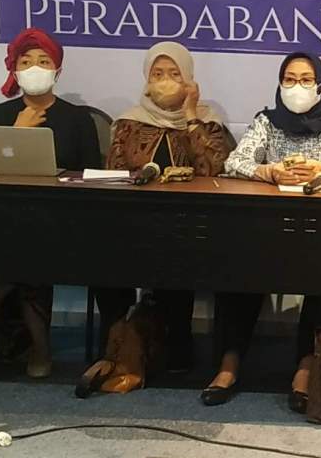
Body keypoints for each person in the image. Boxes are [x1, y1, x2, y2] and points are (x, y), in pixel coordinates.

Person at [208, 52, 321, 411]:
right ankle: (229, 365)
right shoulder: (267, 122)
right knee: (235, 263)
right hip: (267, 233)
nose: (297, 87)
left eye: (306, 80)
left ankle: (305, 368)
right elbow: (234, 161)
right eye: (289, 79)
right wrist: (267, 171)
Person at [77, 41, 234, 397]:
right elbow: (115, 173)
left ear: (189, 79)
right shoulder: (129, 121)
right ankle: (116, 343)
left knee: (177, 253)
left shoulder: (207, 121)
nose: (165, 81)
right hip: (134, 221)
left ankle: (176, 344)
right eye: (157, 74)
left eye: (174, 74)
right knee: (101, 254)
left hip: (191, 224)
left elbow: (214, 169)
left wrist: (191, 115)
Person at [0, 28, 103, 379]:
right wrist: (18, 132)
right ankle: (40, 348)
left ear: (58, 70)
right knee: (22, 239)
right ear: (14, 69)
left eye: (44, 61)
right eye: (26, 62)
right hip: (6, 217)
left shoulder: (77, 119)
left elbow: (93, 176)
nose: (35, 68)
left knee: (30, 237)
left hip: (62, 217)